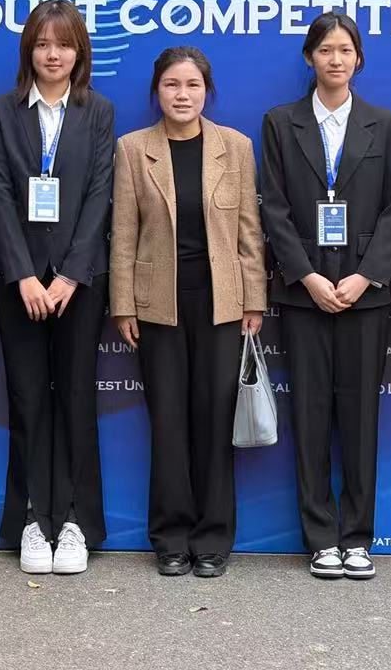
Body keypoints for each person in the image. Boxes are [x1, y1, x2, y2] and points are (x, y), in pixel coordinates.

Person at [259, 11, 391, 581]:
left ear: (358, 58)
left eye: (345, 50)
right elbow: (273, 206)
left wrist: (366, 276)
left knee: (361, 418)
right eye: (325, 50)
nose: (335, 59)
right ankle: (321, 536)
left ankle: (358, 536)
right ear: (309, 58)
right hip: (305, 295)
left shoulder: (382, 124)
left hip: (364, 296)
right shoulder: (281, 122)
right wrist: (307, 277)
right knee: (312, 415)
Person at [111, 46, 267, 579]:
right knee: (169, 422)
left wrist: (253, 299)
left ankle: (213, 538)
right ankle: (171, 537)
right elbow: (123, 233)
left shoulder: (236, 147)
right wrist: (123, 303)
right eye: (172, 85)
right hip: (157, 304)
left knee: (215, 420)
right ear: (157, 91)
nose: (182, 95)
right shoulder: (134, 149)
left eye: (193, 85)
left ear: (207, 91)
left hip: (222, 302)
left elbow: (249, 231)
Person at [0, 0, 115, 575]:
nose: (53, 54)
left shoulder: (98, 111)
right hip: (16, 282)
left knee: (78, 399)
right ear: (28, 52)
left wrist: (67, 276)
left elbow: (100, 195)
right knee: (28, 399)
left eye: (63, 44)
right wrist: (24, 277)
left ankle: (77, 521)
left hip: (79, 283)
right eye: (42, 44)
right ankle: (33, 520)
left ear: (79, 52)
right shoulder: (2, 110)